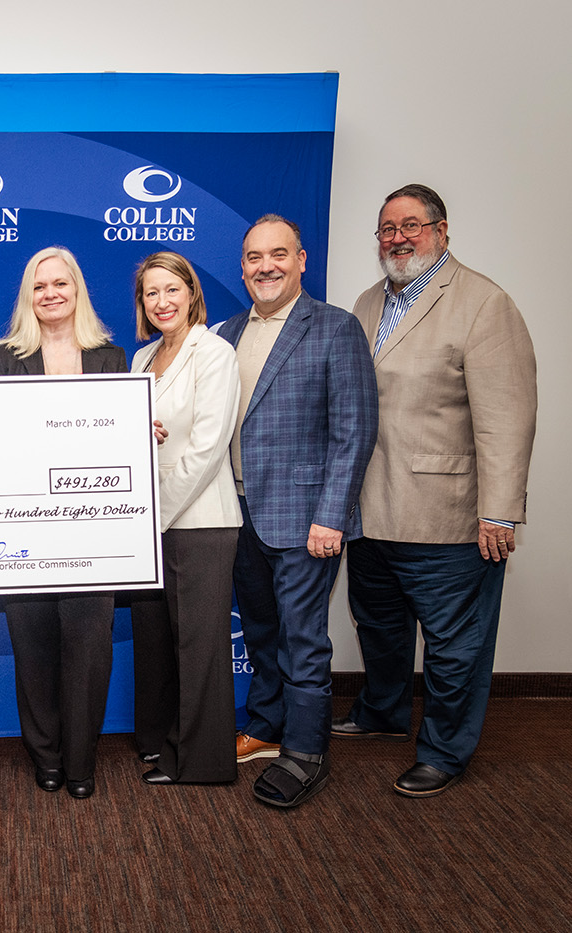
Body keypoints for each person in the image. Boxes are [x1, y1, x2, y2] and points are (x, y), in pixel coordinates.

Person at [337, 184, 537, 798]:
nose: (398, 237)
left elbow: (508, 415)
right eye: (387, 228)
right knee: (380, 626)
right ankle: (383, 714)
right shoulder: (368, 302)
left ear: (442, 231)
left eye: (412, 226)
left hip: (446, 516)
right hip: (370, 510)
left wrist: (499, 512)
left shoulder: (483, 303)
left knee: (454, 646)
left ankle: (446, 751)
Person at [218, 216, 378, 808]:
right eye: (254, 257)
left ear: (301, 260)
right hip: (237, 513)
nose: (266, 266)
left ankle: (307, 752)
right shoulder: (225, 332)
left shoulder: (335, 329)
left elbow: (355, 431)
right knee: (260, 632)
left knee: (303, 639)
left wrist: (332, 515)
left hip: (307, 517)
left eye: (278, 254)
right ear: (242, 267)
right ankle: (265, 725)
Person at [0, 247, 126, 798]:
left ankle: (80, 761)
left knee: (89, 652)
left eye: (60, 284)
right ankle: (45, 755)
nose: (50, 294)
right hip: (23, 530)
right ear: (29, 296)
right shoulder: (3, 359)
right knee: (34, 647)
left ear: (77, 290)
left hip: (94, 534)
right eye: (39, 286)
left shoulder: (112, 358)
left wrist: (143, 433)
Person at [128, 251, 242, 787]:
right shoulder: (141, 358)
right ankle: (163, 744)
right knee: (160, 645)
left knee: (198, 646)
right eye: (152, 293)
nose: (162, 301)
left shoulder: (214, 353)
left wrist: (156, 515)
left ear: (191, 293)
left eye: (171, 289)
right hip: (150, 524)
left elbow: (207, 448)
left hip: (199, 520)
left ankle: (203, 764)